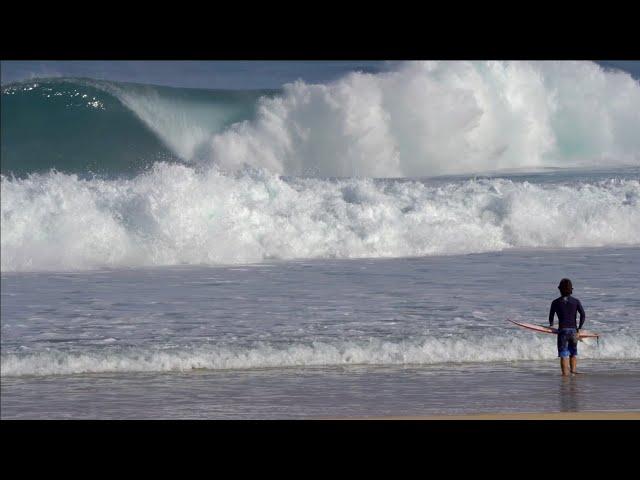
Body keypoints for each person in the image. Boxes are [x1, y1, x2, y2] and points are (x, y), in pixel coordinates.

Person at [549, 278, 585, 376]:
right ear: (571, 289)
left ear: (559, 289)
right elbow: (583, 315)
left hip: (562, 331)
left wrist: (551, 326)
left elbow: (551, 317)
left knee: (563, 354)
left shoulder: (555, 302)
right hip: (574, 331)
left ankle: (565, 376)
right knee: (573, 353)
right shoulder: (576, 301)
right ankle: (573, 372)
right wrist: (579, 329)